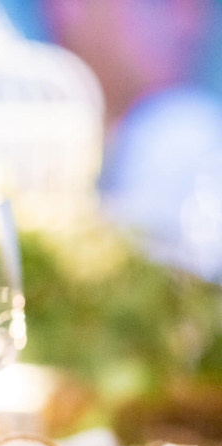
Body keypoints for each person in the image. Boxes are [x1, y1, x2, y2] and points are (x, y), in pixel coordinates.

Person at [43, 0, 222, 280]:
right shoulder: (5, 119)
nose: (189, 25)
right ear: (71, 6)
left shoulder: (184, 131)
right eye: (158, 3)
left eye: (198, 6)